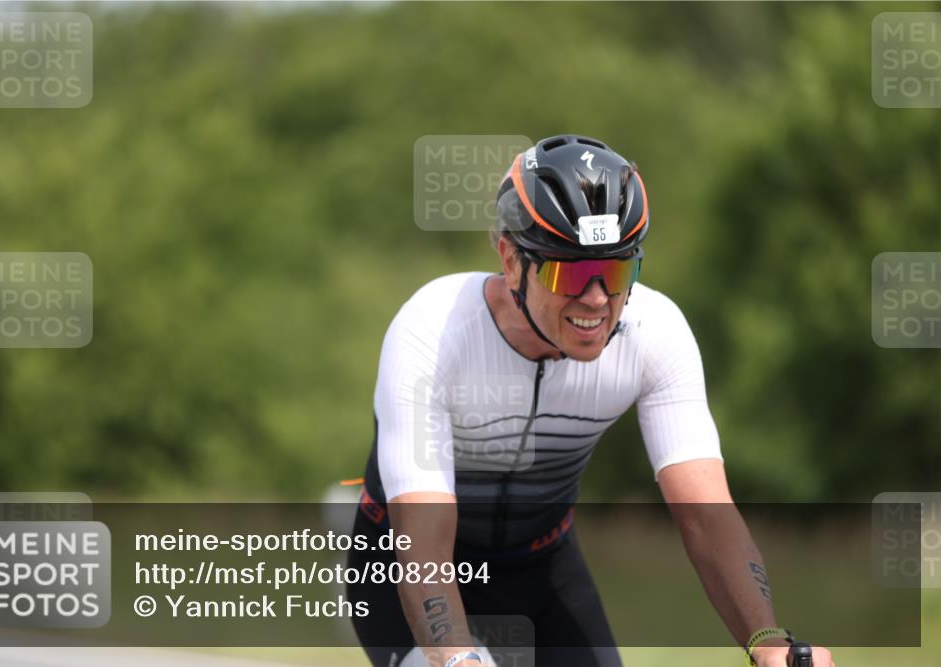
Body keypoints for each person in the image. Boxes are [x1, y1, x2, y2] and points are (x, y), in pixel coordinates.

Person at [346, 134, 835, 667]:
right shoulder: (432, 332)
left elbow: (706, 515)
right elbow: (425, 546)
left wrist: (768, 643)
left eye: (618, 270)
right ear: (511, 260)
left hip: (541, 568)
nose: (597, 299)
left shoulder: (656, 334)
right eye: (571, 272)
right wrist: (460, 660)